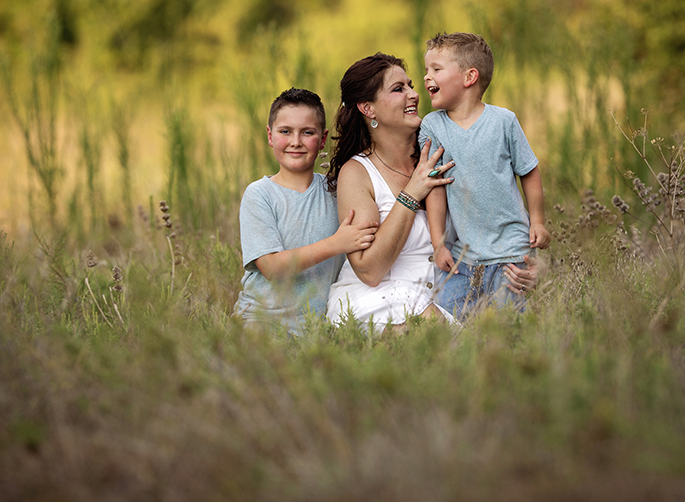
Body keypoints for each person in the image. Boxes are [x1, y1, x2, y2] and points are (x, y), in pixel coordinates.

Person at [323, 53, 460, 332]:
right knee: (427, 334)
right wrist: (412, 193)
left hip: (444, 296)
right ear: (368, 109)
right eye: (399, 89)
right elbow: (370, 271)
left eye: (410, 85)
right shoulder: (357, 173)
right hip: (375, 301)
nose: (414, 94)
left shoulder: (439, 154)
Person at [420, 32, 550, 320]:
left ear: (469, 77)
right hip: (464, 257)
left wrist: (538, 220)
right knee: (444, 317)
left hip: (511, 252)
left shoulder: (503, 121)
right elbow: (435, 188)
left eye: (436, 70)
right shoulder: (432, 126)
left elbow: (528, 171)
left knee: (509, 325)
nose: (426, 77)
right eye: (426, 70)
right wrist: (438, 241)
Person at [235, 88, 379, 334]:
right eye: (285, 131)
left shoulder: (337, 189)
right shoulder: (260, 194)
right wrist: (336, 244)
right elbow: (271, 267)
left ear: (322, 139)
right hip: (262, 320)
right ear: (270, 136)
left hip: (319, 325)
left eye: (307, 133)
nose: (296, 142)